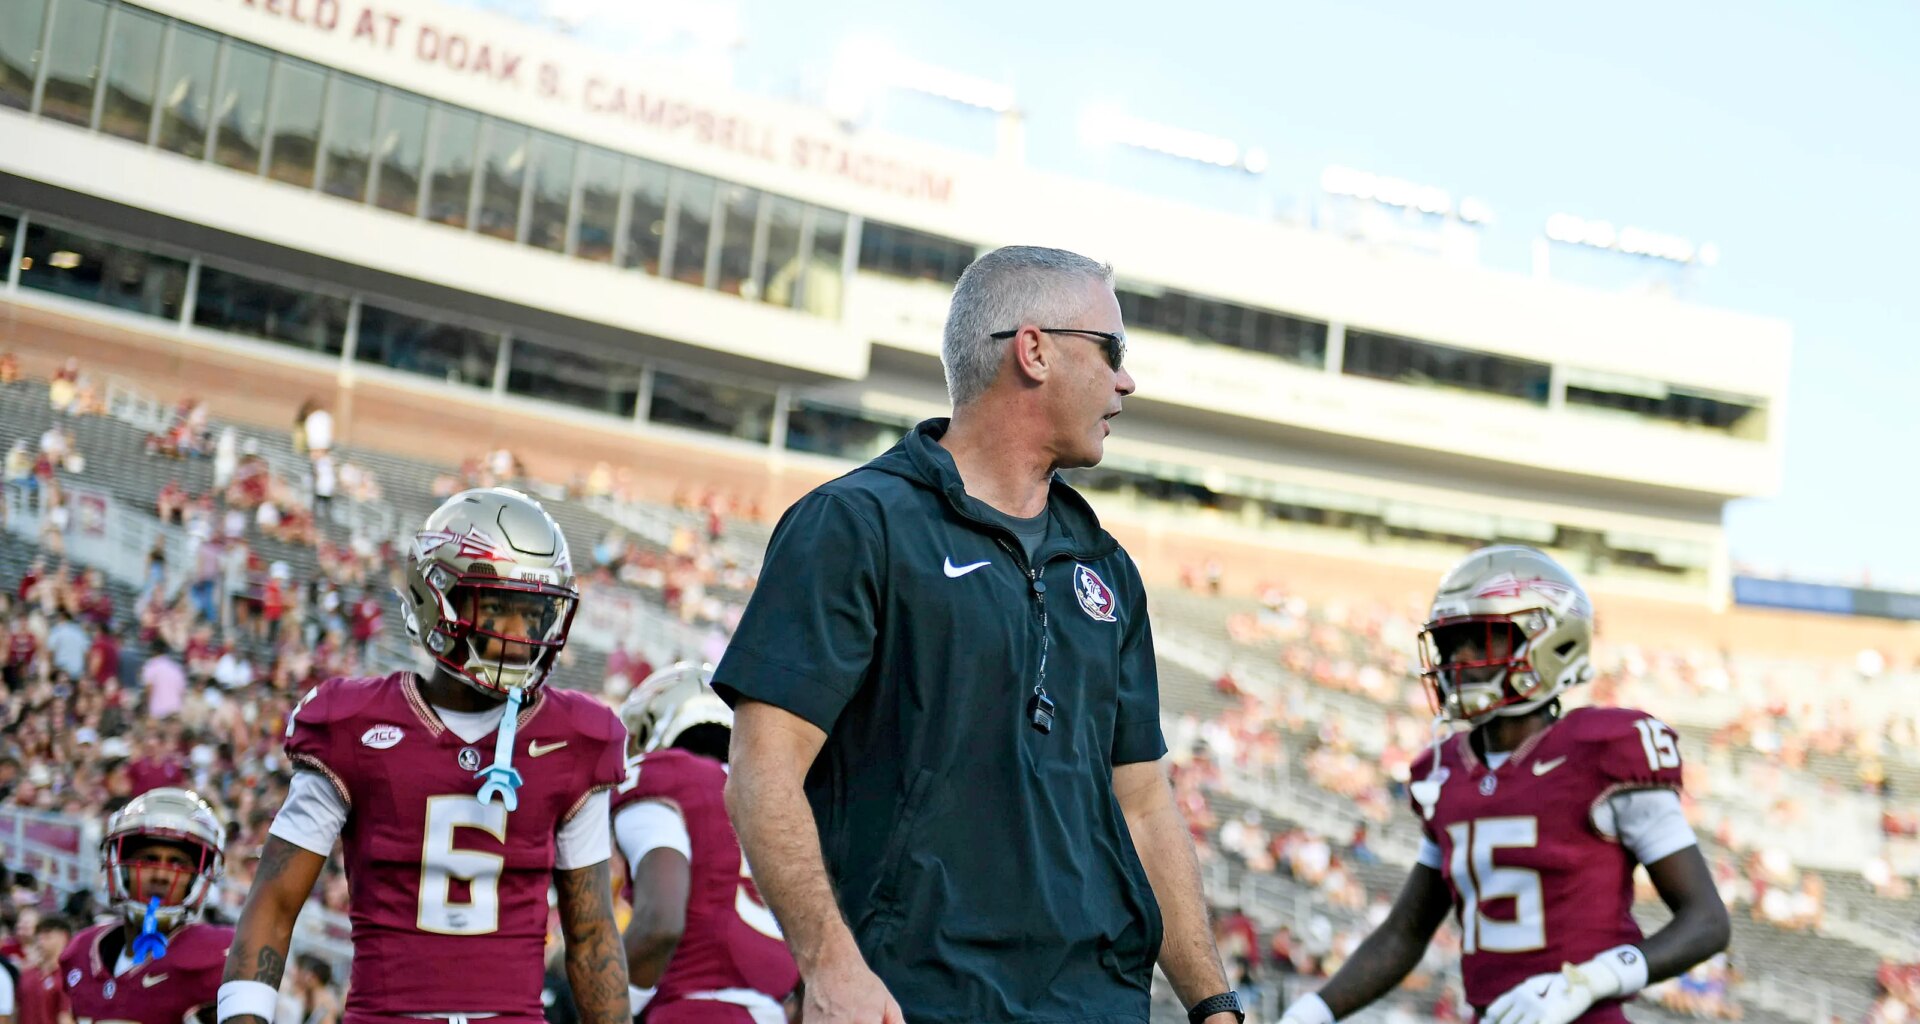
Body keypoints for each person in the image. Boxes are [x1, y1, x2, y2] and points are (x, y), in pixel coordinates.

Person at [717, 246, 1244, 1024]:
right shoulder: (857, 525)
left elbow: (1142, 806)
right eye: (1112, 351)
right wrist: (830, 964)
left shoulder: (1106, 568)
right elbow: (762, 770)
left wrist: (1214, 1004)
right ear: (1033, 350)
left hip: (1097, 1005)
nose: (1126, 380)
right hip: (912, 999)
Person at [218, 487, 630, 1024]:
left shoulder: (575, 738)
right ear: (438, 597)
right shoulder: (353, 724)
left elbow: (593, 932)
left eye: (532, 615)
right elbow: (273, 903)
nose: (517, 635)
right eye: (498, 607)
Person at [1277, 546, 1731, 1024]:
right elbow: (1404, 934)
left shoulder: (1604, 751)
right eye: (1450, 644)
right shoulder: (1446, 768)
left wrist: (1591, 980)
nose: (1459, 659)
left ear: (1547, 643)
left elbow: (1706, 921)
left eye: (1481, 639)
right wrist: (1315, 1010)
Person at [612, 663, 798, 1023]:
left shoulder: (664, 776)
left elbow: (660, 924)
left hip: (693, 1010)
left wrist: (606, 1006)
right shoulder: (780, 806)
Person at [60, 789, 233, 1024]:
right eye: (148, 859)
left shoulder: (217, 956)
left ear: (198, 877)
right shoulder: (80, 951)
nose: (161, 875)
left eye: (177, 863)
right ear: (119, 865)